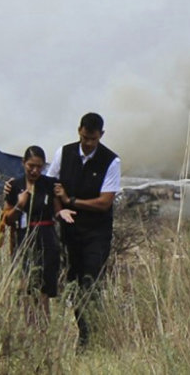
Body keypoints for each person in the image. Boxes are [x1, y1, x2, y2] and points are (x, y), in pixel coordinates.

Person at [47, 112, 121, 347]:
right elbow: (52, 186)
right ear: (79, 130)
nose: (88, 143)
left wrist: (72, 202)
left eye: (93, 139)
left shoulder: (111, 161)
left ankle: (90, 337)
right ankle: (83, 333)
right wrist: (60, 211)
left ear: (101, 135)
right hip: (70, 231)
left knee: (90, 282)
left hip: (96, 233)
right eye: (85, 137)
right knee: (73, 281)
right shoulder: (64, 153)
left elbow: (104, 202)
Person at [3, 146, 67, 322]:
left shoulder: (49, 184)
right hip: (24, 238)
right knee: (26, 285)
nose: (34, 170)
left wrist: (62, 212)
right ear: (23, 163)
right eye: (31, 165)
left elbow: (57, 210)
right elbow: (7, 219)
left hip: (46, 238)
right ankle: (28, 326)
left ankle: (44, 330)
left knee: (44, 289)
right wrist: (19, 205)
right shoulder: (15, 186)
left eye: (39, 166)